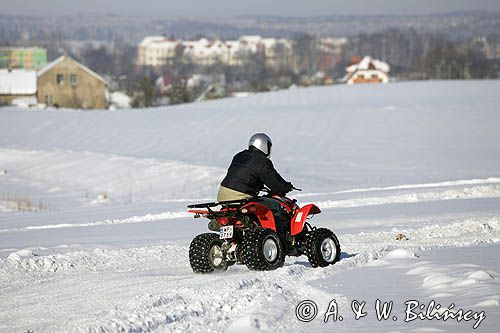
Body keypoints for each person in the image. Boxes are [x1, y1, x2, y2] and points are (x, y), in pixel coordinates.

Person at [217, 133, 293, 237]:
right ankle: (278, 237)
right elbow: (275, 183)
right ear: (264, 145)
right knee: (275, 205)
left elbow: (244, 175)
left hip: (223, 196)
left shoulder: (239, 155)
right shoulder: (263, 162)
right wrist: (286, 187)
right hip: (241, 197)